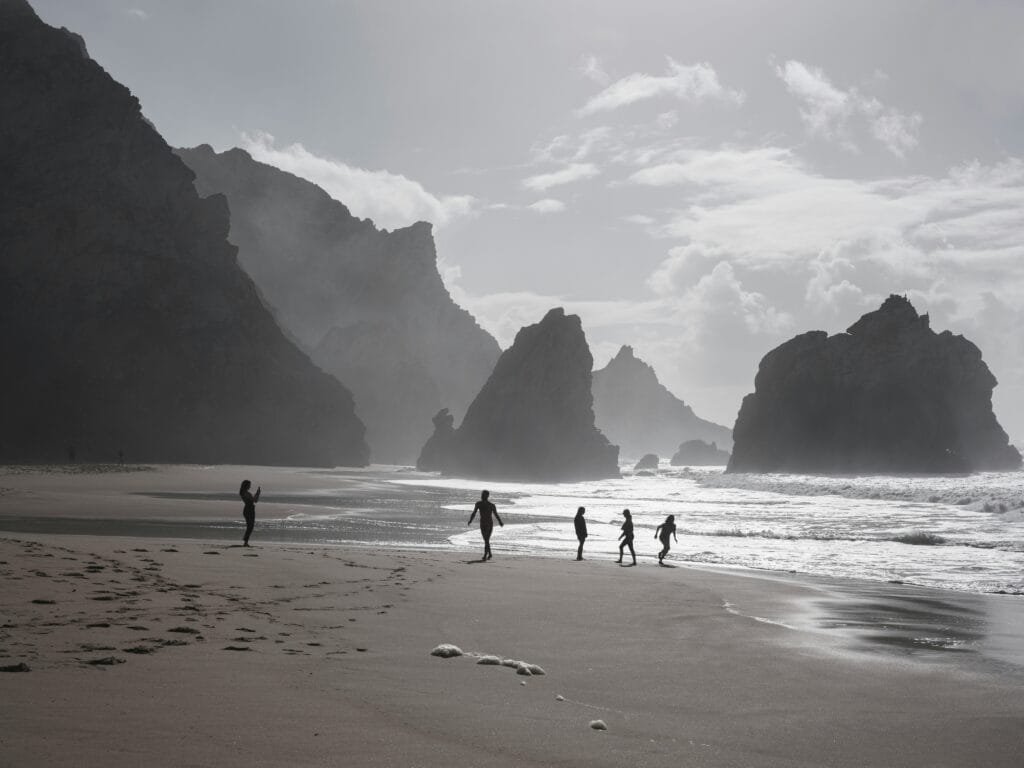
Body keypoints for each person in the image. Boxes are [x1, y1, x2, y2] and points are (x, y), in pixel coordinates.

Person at [468, 490, 503, 561]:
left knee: (486, 539)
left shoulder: (490, 505)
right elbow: (474, 513)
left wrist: (500, 522)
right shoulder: (479, 504)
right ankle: (489, 554)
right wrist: (470, 520)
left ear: (487, 496)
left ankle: (485, 555)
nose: (482, 496)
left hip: (488, 524)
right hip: (484, 523)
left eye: (483, 495)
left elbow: (496, 515)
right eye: (482, 494)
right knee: (486, 539)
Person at [239, 479, 261, 547]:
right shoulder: (246, 493)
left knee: (250, 526)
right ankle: (245, 541)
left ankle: (245, 541)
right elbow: (255, 500)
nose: (250, 486)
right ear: (246, 486)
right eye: (249, 485)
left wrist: (257, 494)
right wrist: (257, 493)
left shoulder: (243, 492)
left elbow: (254, 500)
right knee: (250, 527)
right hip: (249, 510)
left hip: (248, 509)